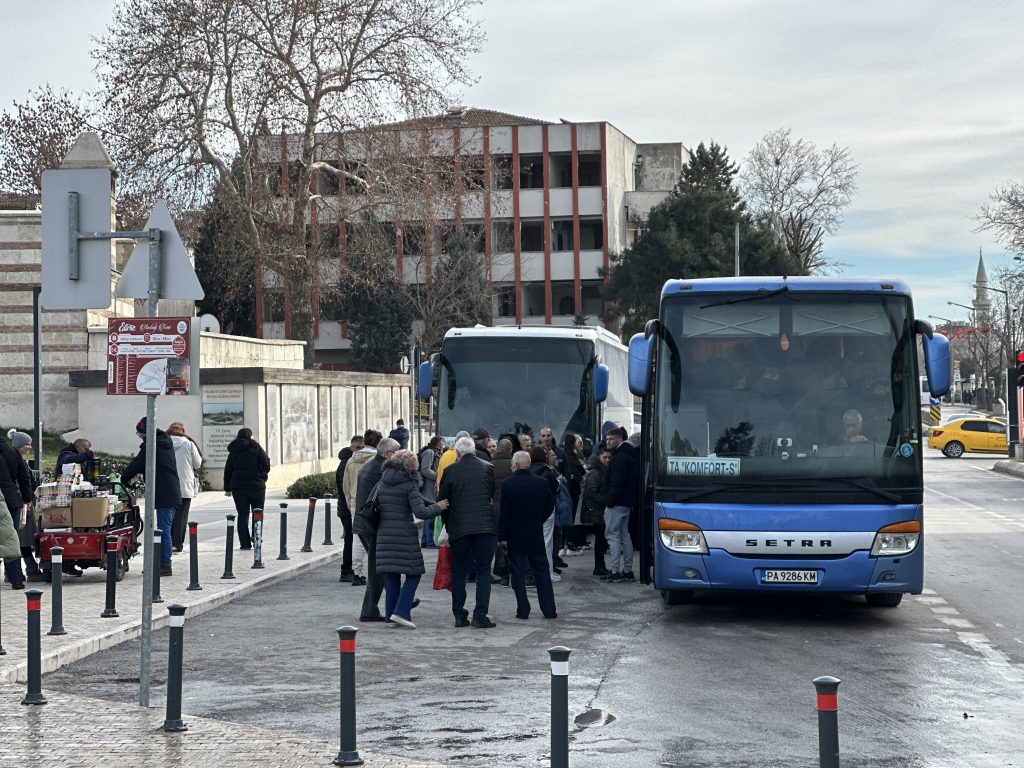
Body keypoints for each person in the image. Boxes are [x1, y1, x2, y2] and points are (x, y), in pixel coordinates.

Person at [375, 449, 447, 628]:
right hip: (404, 536)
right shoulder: (409, 483)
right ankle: (401, 613)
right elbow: (420, 512)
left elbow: (416, 500)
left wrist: (431, 503)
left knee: (392, 575)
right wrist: (438, 507)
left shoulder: (383, 480)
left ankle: (390, 616)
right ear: (412, 465)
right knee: (414, 573)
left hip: (384, 534)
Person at [437, 436, 496, 628]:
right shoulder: (488, 467)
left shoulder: (450, 471)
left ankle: (459, 616)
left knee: (459, 572)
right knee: (484, 572)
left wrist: (449, 525)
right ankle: (480, 615)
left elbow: (443, 502)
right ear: (473, 451)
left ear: (457, 452)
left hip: (460, 529)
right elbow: (490, 495)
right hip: (485, 528)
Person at [499, 450, 557, 620]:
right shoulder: (541, 483)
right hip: (535, 533)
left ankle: (523, 610)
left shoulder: (508, 484)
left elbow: (505, 513)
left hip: (515, 535)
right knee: (542, 572)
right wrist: (538, 520)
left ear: (516, 465)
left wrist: (502, 536)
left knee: (517, 574)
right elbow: (549, 506)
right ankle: (549, 609)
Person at [123, 418, 182, 576]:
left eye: (140, 434)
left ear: (145, 433)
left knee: (163, 530)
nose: (140, 437)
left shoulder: (152, 446)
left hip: (164, 492)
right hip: (171, 490)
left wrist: (123, 480)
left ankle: (164, 565)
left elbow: (137, 464)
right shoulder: (164, 442)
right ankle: (162, 563)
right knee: (164, 529)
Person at [354, 436, 400, 622]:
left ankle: (396, 601)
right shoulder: (382, 469)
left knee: (380, 567)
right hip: (372, 524)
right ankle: (370, 610)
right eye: (397, 452)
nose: (400, 455)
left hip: (364, 523)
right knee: (378, 568)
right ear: (388, 454)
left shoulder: (370, 466)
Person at [3, 430, 43, 582]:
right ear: (19, 445)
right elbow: (23, 481)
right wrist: (26, 501)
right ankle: (29, 569)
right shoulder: (15, 460)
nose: (29, 447)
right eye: (27, 444)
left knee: (15, 537)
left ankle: (11, 572)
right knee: (21, 537)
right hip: (19, 504)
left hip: (17, 502)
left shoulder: (12, 458)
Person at [223, 427, 271, 553]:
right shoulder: (256, 448)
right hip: (257, 486)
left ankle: (244, 543)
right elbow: (266, 464)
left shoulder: (233, 451)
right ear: (251, 436)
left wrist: (227, 488)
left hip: (239, 487)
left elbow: (228, 470)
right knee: (258, 513)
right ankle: (257, 539)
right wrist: (262, 476)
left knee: (242, 515)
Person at [343, 430, 381, 587]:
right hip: (372, 503)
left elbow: (346, 486)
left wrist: (350, 502)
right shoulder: (376, 460)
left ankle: (357, 573)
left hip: (354, 502)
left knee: (358, 538)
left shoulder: (351, 461)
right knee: (377, 538)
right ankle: (378, 572)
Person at [602, 427, 638, 583]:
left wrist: (609, 500)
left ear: (619, 439)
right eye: (607, 438)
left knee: (613, 537)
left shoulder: (619, 457)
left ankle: (615, 571)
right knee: (625, 536)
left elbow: (617, 483)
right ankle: (628, 571)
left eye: (611, 438)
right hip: (626, 503)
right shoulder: (630, 456)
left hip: (616, 503)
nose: (607, 441)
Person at [167, 422, 203, 553]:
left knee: (167, 516)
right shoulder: (189, 443)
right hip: (184, 486)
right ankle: (178, 544)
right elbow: (198, 463)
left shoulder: (163, 442)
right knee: (181, 517)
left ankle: (167, 543)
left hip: (168, 485)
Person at [529, 445, 561, 583]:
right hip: (546, 510)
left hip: (529, 511)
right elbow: (555, 490)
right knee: (547, 542)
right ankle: (547, 572)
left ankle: (531, 572)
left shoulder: (527, 471)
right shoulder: (549, 472)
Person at [336, 434, 364, 581]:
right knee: (350, 539)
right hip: (346, 508)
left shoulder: (352, 461)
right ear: (351, 447)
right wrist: (349, 505)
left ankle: (349, 569)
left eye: (362, 447)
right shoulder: (347, 463)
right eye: (357, 447)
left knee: (352, 538)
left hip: (348, 506)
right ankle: (346, 570)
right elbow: (345, 487)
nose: (359, 450)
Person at [582, 446, 612, 576]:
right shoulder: (596, 472)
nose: (607, 460)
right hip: (596, 510)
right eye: (604, 457)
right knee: (600, 539)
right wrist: (604, 500)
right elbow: (591, 491)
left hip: (599, 509)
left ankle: (600, 566)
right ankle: (599, 566)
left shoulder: (603, 471)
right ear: (599, 458)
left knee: (601, 539)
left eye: (609, 458)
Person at [418, 436, 444, 547]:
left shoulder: (432, 452)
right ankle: (429, 541)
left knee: (429, 515)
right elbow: (425, 469)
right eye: (442, 443)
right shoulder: (429, 452)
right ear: (438, 444)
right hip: (429, 488)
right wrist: (438, 477)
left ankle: (425, 541)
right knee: (430, 513)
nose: (443, 445)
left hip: (431, 486)